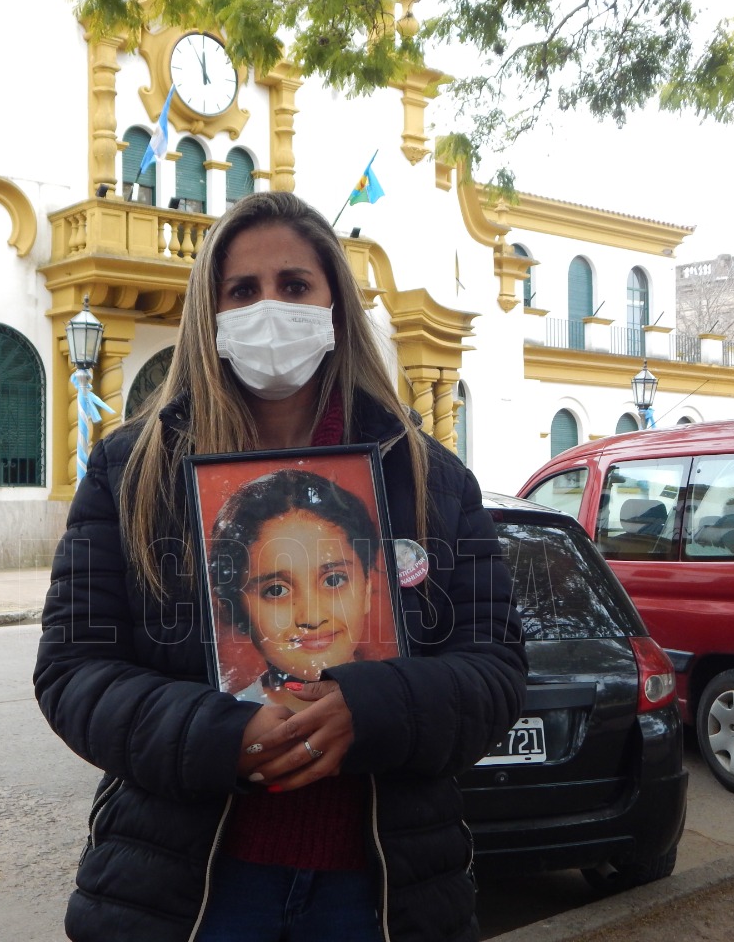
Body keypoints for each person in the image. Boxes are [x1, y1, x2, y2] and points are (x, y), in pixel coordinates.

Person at [34, 190, 527, 942]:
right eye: (243, 290)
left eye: (294, 286)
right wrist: (215, 733)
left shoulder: (428, 477)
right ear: (211, 312)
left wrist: (377, 706)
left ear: (334, 305)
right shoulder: (130, 470)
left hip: (382, 895)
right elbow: (73, 670)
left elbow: (495, 668)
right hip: (190, 892)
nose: (270, 308)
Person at [209, 468, 388, 709]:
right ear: (238, 608)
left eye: (333, 581)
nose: (312, 618)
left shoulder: (402, 704)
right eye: (276, 590)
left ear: (366, 588)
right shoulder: (232, 719)